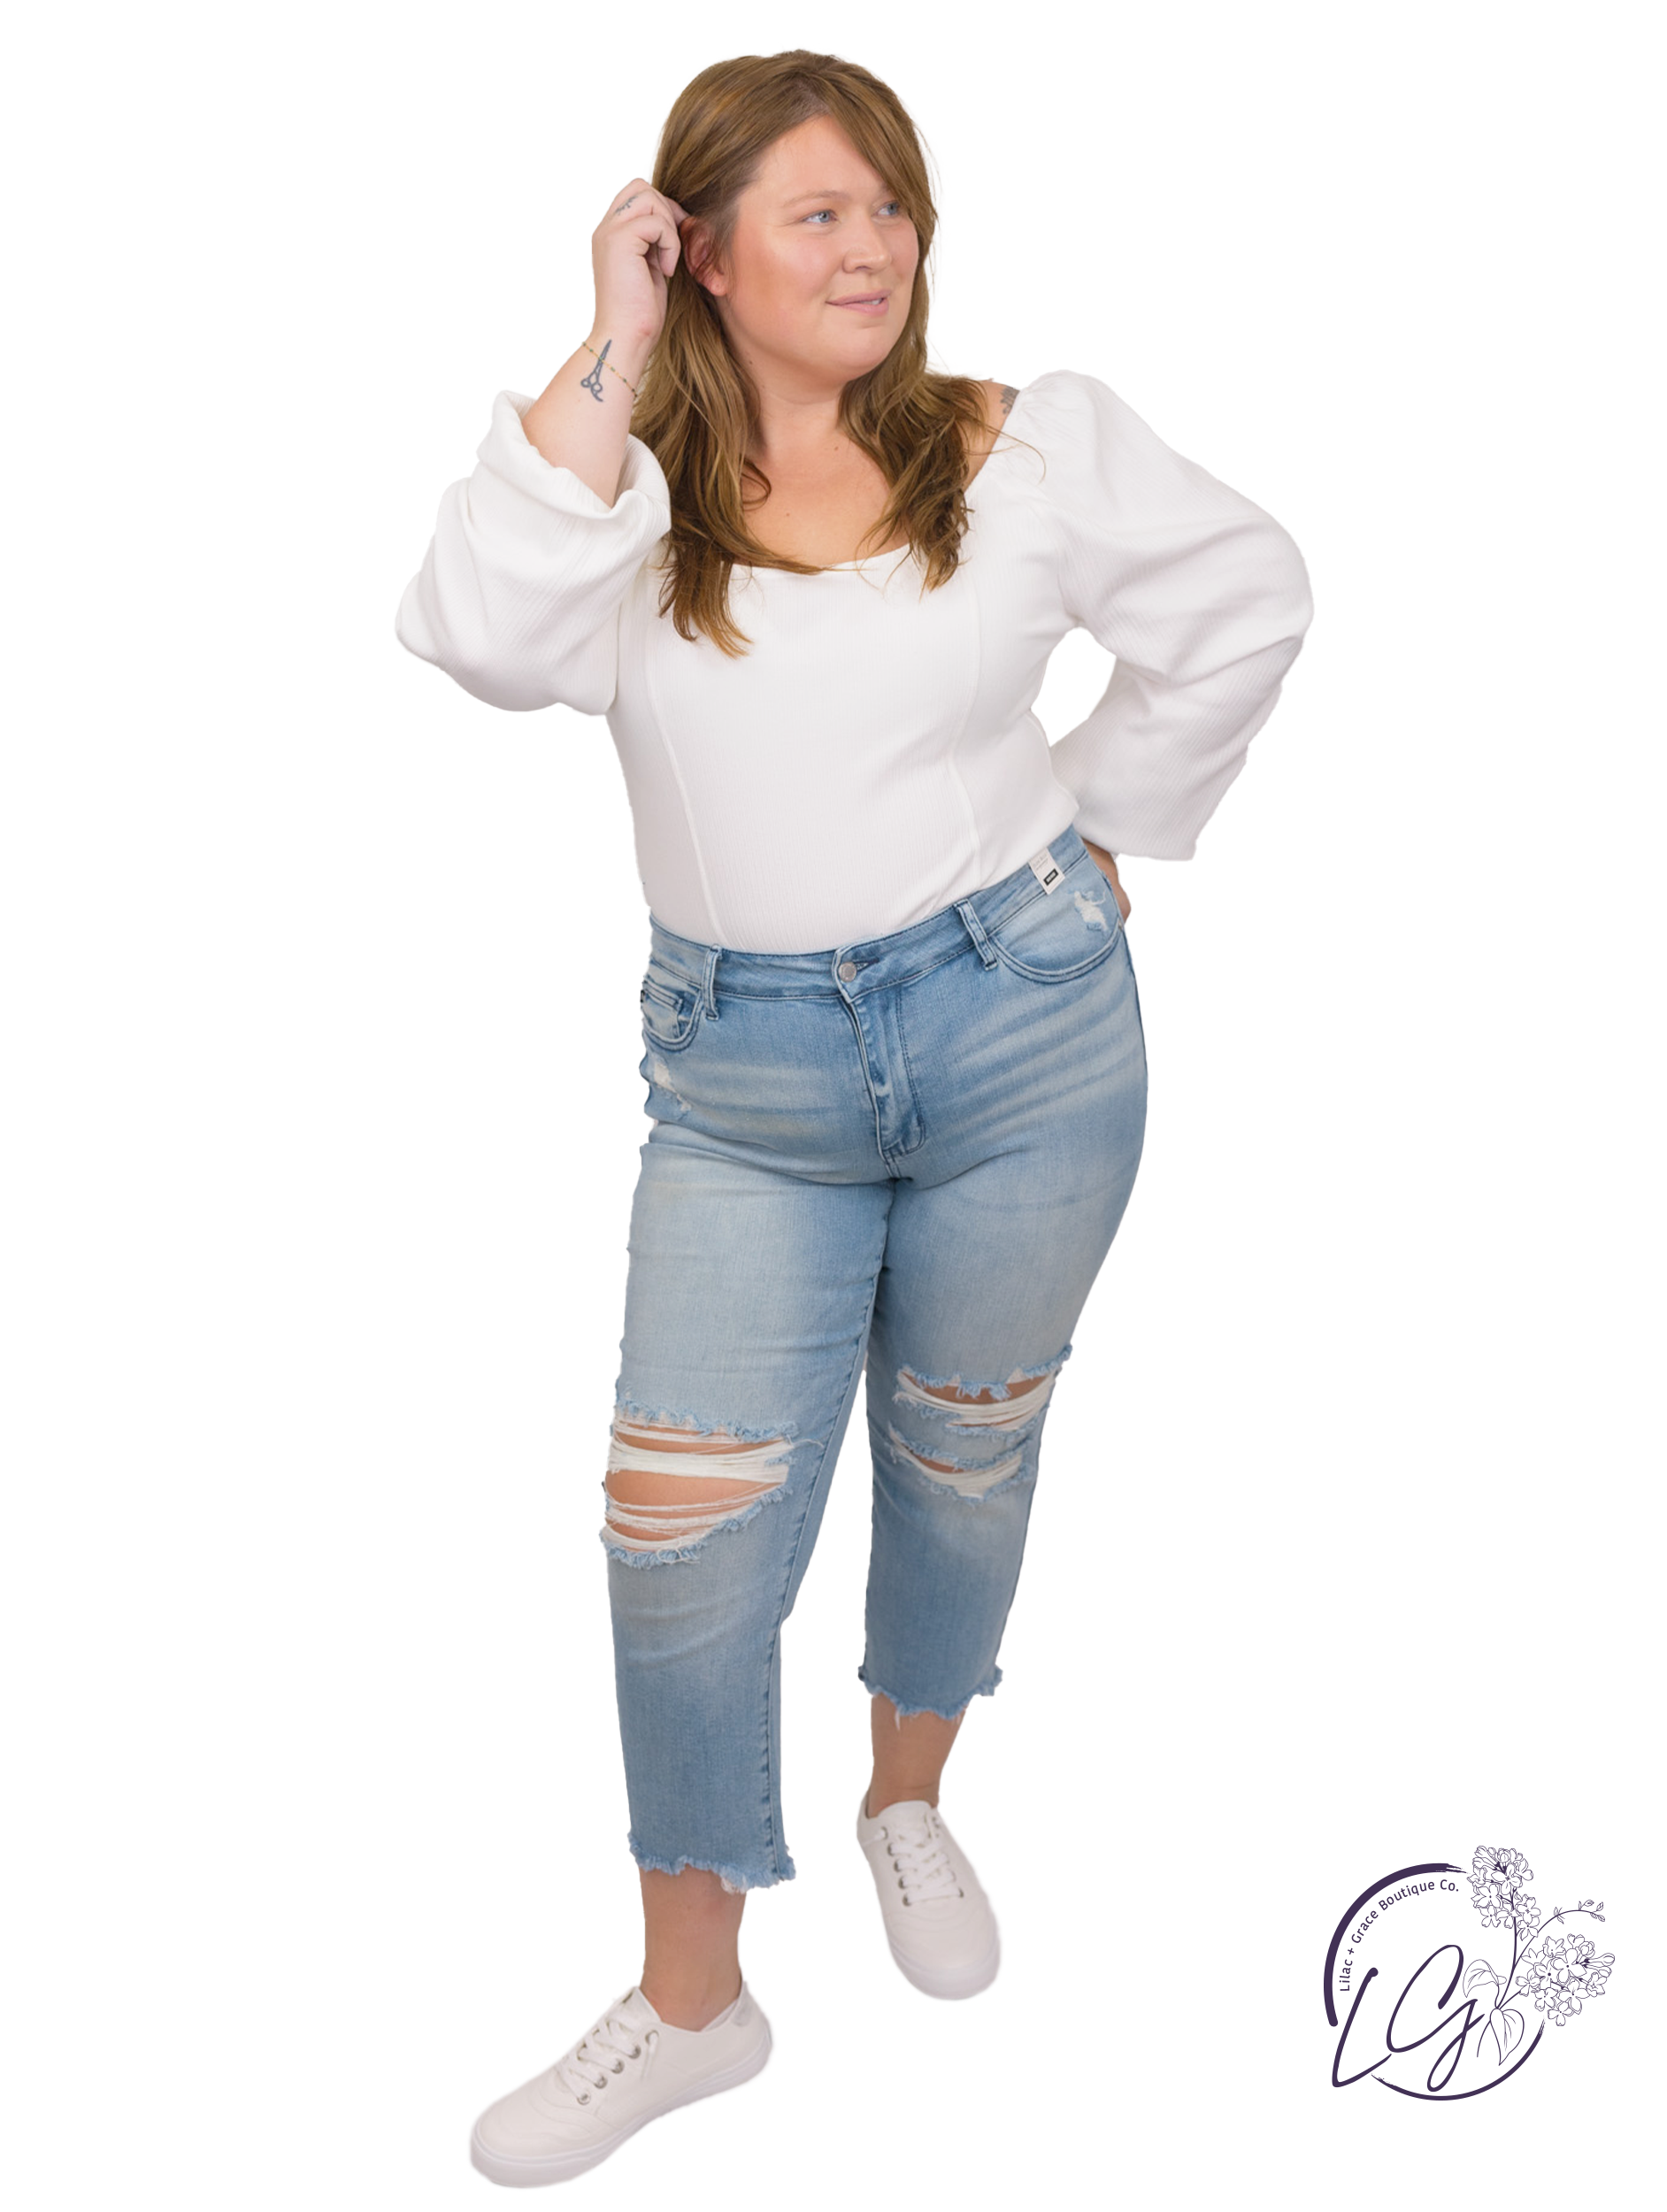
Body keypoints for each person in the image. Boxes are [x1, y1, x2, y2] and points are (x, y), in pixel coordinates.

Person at [395, 48, 1313, 2189]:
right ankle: (693, 2001)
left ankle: (912, 1796)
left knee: (965, 1451)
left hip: (1031, 1040)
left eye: (891, 204)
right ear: (699, 249)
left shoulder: (1019, 445)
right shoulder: (619, 504)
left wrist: (1108, 831)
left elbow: (1248, 595)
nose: (873, 244)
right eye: (815, 211)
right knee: (680, 1542)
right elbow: (468, 630)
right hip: (747, 1094)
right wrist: (610, 338)